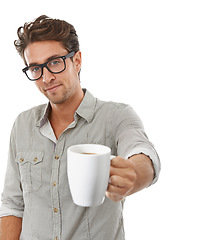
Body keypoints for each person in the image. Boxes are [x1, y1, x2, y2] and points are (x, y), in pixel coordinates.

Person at [0, 15, 160, 240]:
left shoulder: (115, 116)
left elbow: (144, 154)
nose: (46, 77)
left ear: (76, 61)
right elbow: (13, 204)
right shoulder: (22, 124)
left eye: (55, 62)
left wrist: (132, 174)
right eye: (35, 68)